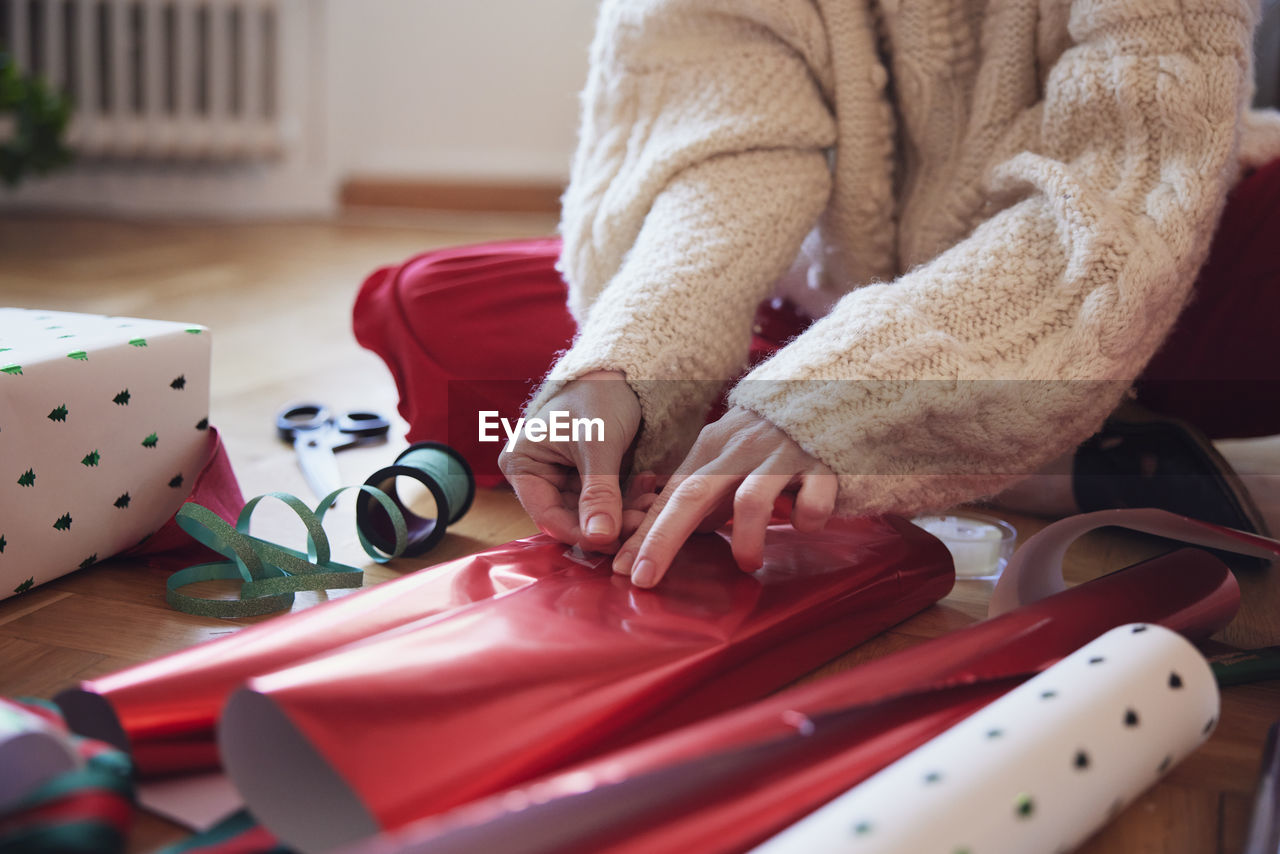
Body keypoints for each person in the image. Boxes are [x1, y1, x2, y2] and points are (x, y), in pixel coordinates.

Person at [355, 0, 1280, 589]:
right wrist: (633, 363)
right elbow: (722, 152)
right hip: (826, 300)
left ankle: (958, 421)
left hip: (1153, 257)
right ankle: (1038, 440)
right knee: (427, 304)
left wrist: (841, 395)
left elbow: (1122, 187)